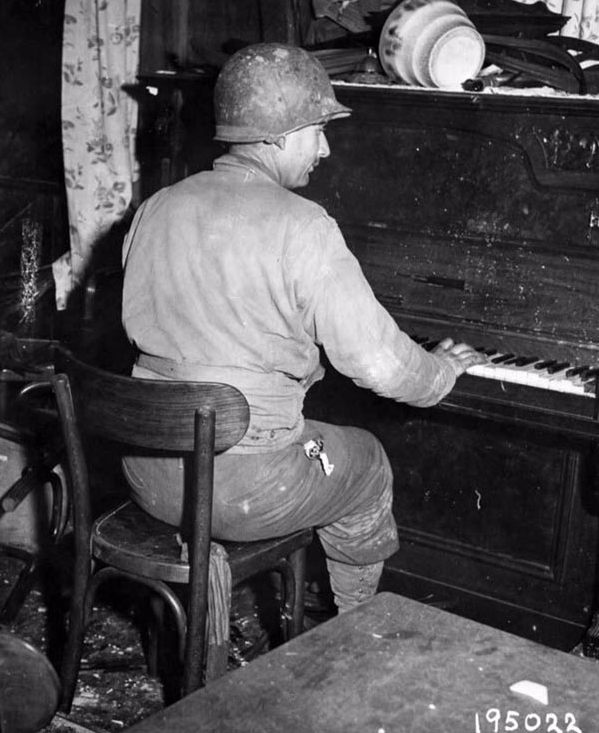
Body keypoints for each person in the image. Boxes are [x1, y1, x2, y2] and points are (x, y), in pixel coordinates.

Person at [119, 43, 486, 614]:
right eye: (318, 128)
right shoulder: (304, 225)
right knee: (367, 462)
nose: (325, 146)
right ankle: (352, 631)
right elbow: (380, 363)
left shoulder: (156, 207)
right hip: (243, 488)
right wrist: (442, 372)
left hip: (148, 472)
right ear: (279, 135)